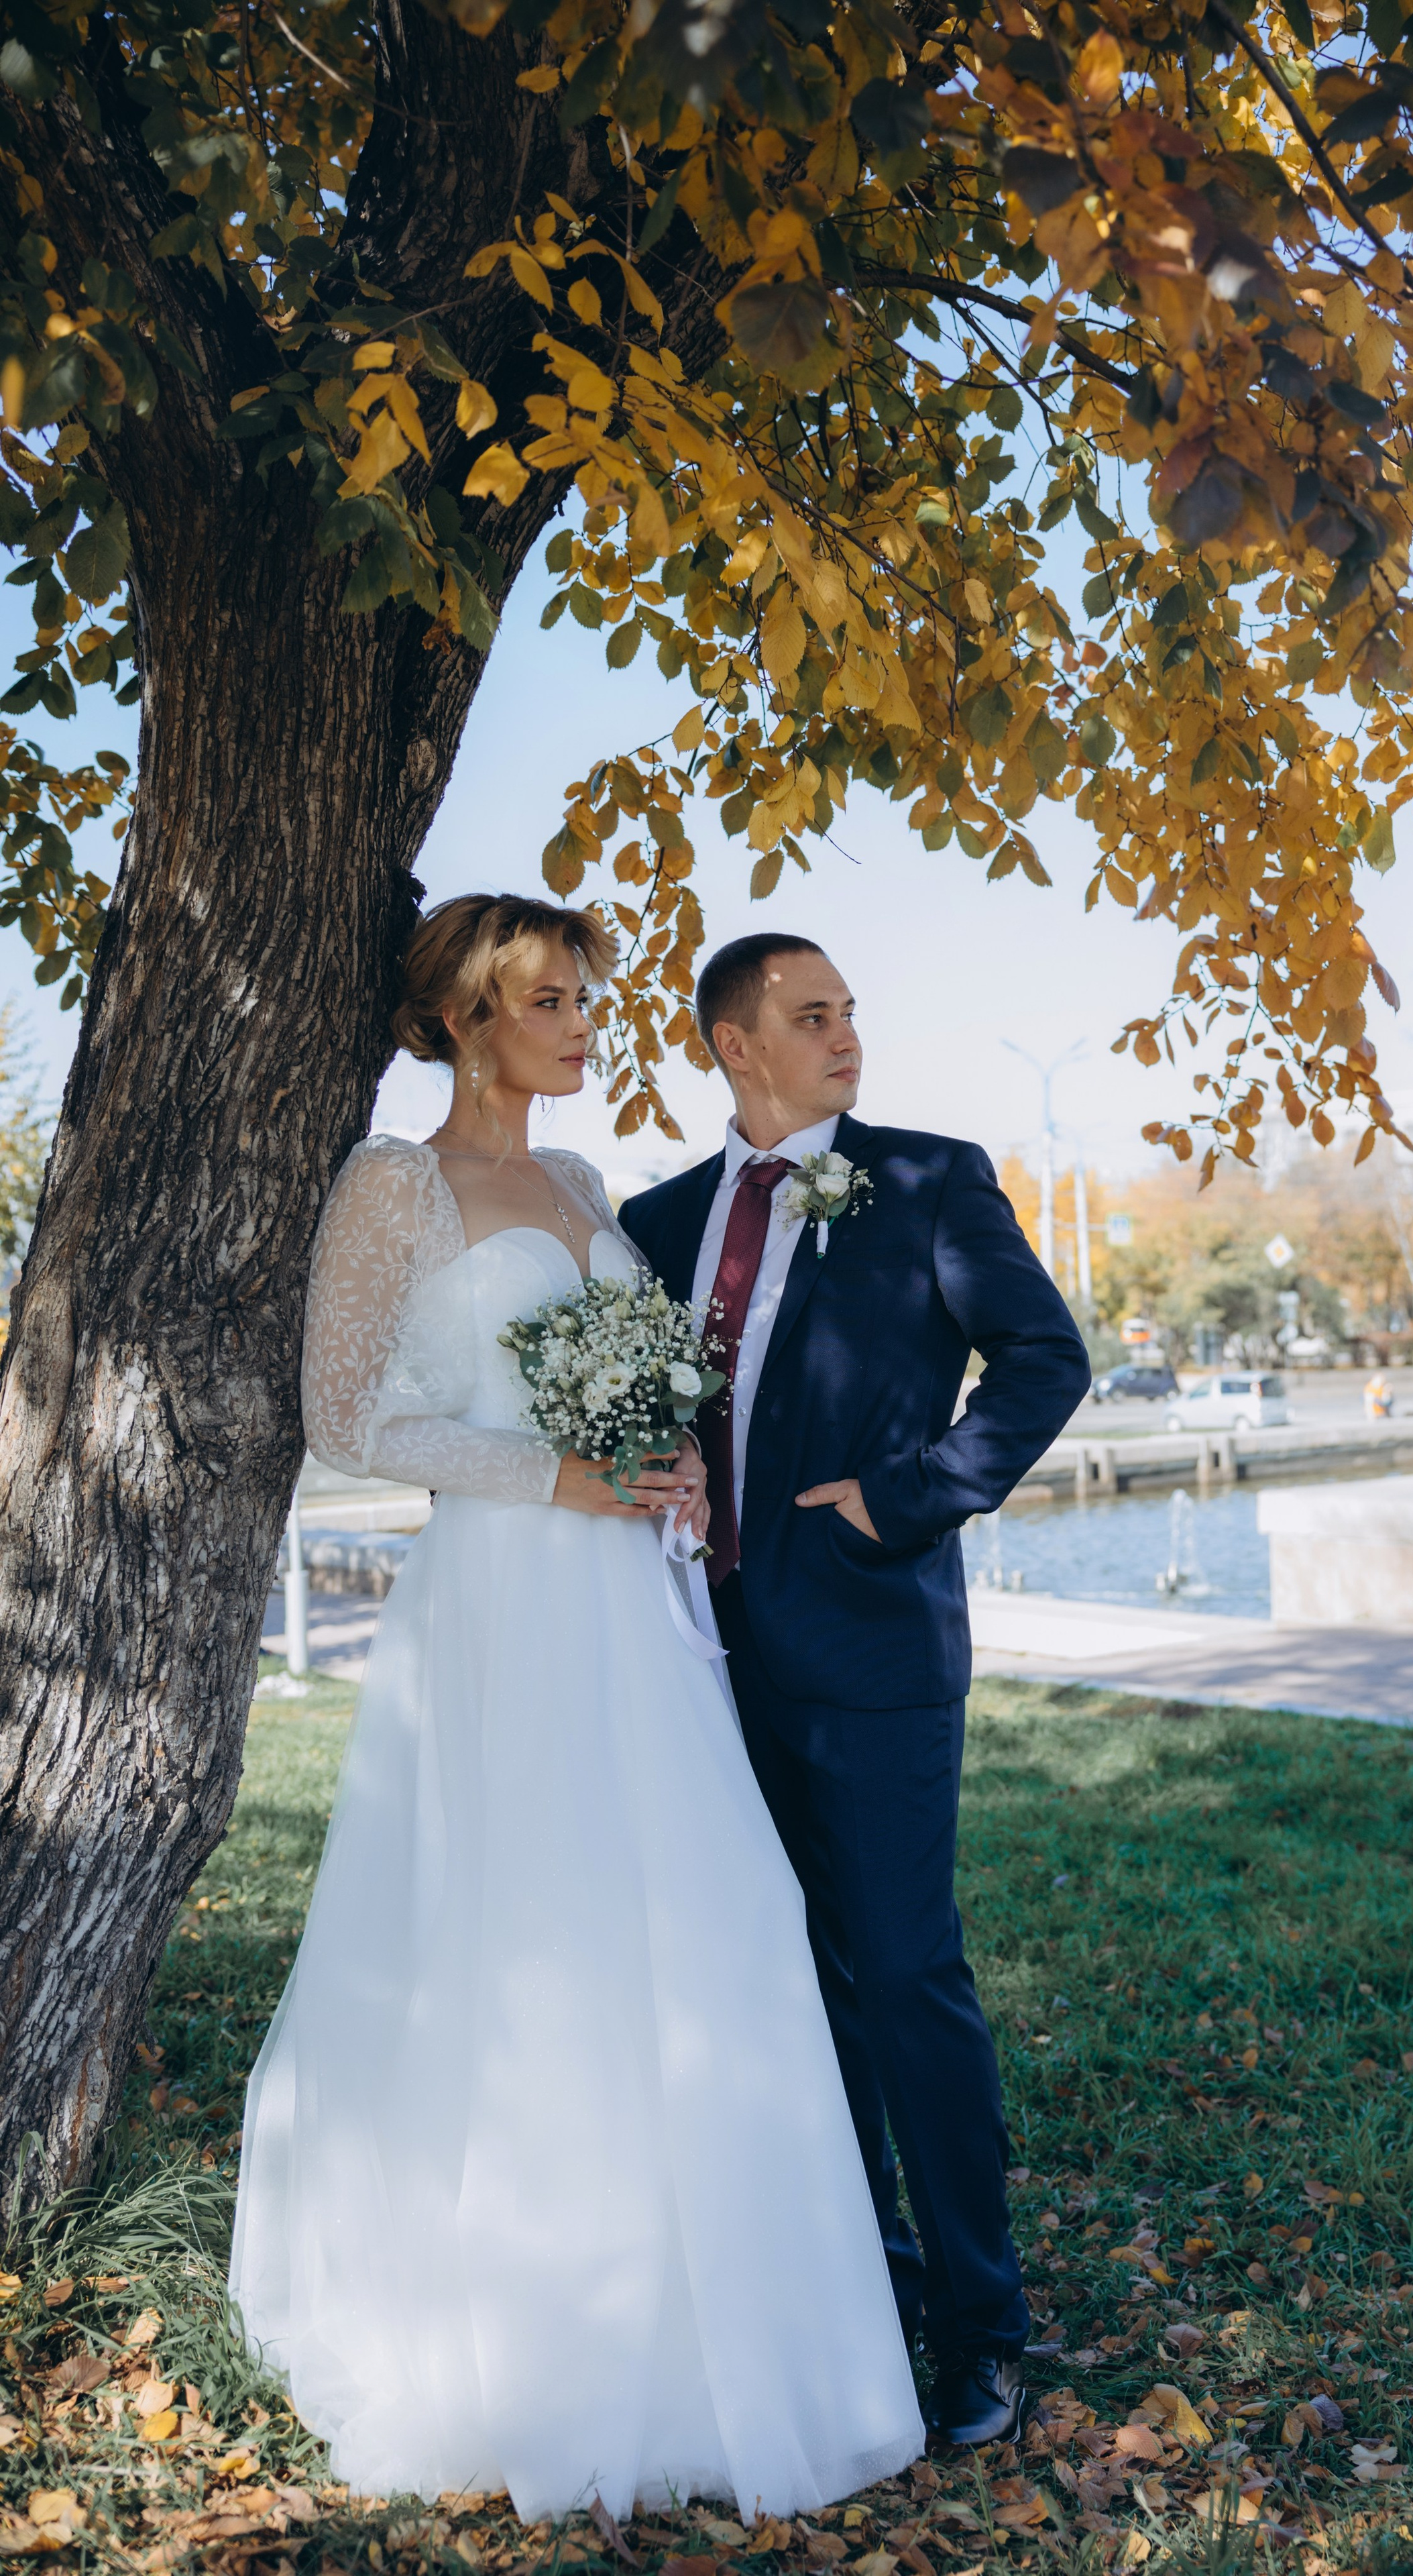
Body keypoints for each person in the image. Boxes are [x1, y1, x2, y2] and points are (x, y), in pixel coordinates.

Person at [230, 896, 922, 2522]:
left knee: (701, 1919)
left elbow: (633, 1376)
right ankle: (526, 2336)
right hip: (504, 1602)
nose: (585, 1026)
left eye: (590, 1000)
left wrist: (666, 1466)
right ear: (472, 1012)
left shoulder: (588, 1187)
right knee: (524, 1927)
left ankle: (714, 2322)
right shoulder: (394, 1186)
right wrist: (559, 1475)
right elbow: (346, 1418)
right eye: (554, 999)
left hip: (630, 1604)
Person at [624, 935, 1091, 2451]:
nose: (846, 1038)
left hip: (876, 1649)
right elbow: (644, 1414)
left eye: (848, 1013)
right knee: (789, 1987)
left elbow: (1042, 1360)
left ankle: (980, 2326)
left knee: (902, 1977)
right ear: (731, 1045)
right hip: (702, 1656)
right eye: (809, 1016)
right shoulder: (655, 1222)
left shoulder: (929, 1178)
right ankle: (858, 2288)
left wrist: (910, 1498)